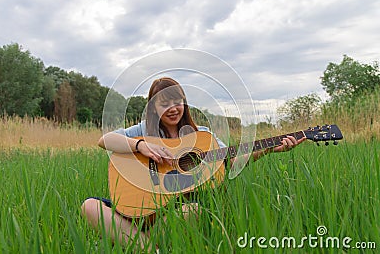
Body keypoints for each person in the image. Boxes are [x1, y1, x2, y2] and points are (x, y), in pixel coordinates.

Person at [81, 77, 306, 250]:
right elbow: (105, 140)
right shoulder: (143, 130)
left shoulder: (203, 136)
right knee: (89, 206)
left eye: (177, 101)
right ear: (153, 107)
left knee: (193, 210)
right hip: (138, 204)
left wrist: (267, 150)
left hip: (174, 211)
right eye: (164, 103)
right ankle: (153, 248)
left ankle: (136, 243)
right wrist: (140, 145)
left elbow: (232, 163)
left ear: (184, 103)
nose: (172, 108)